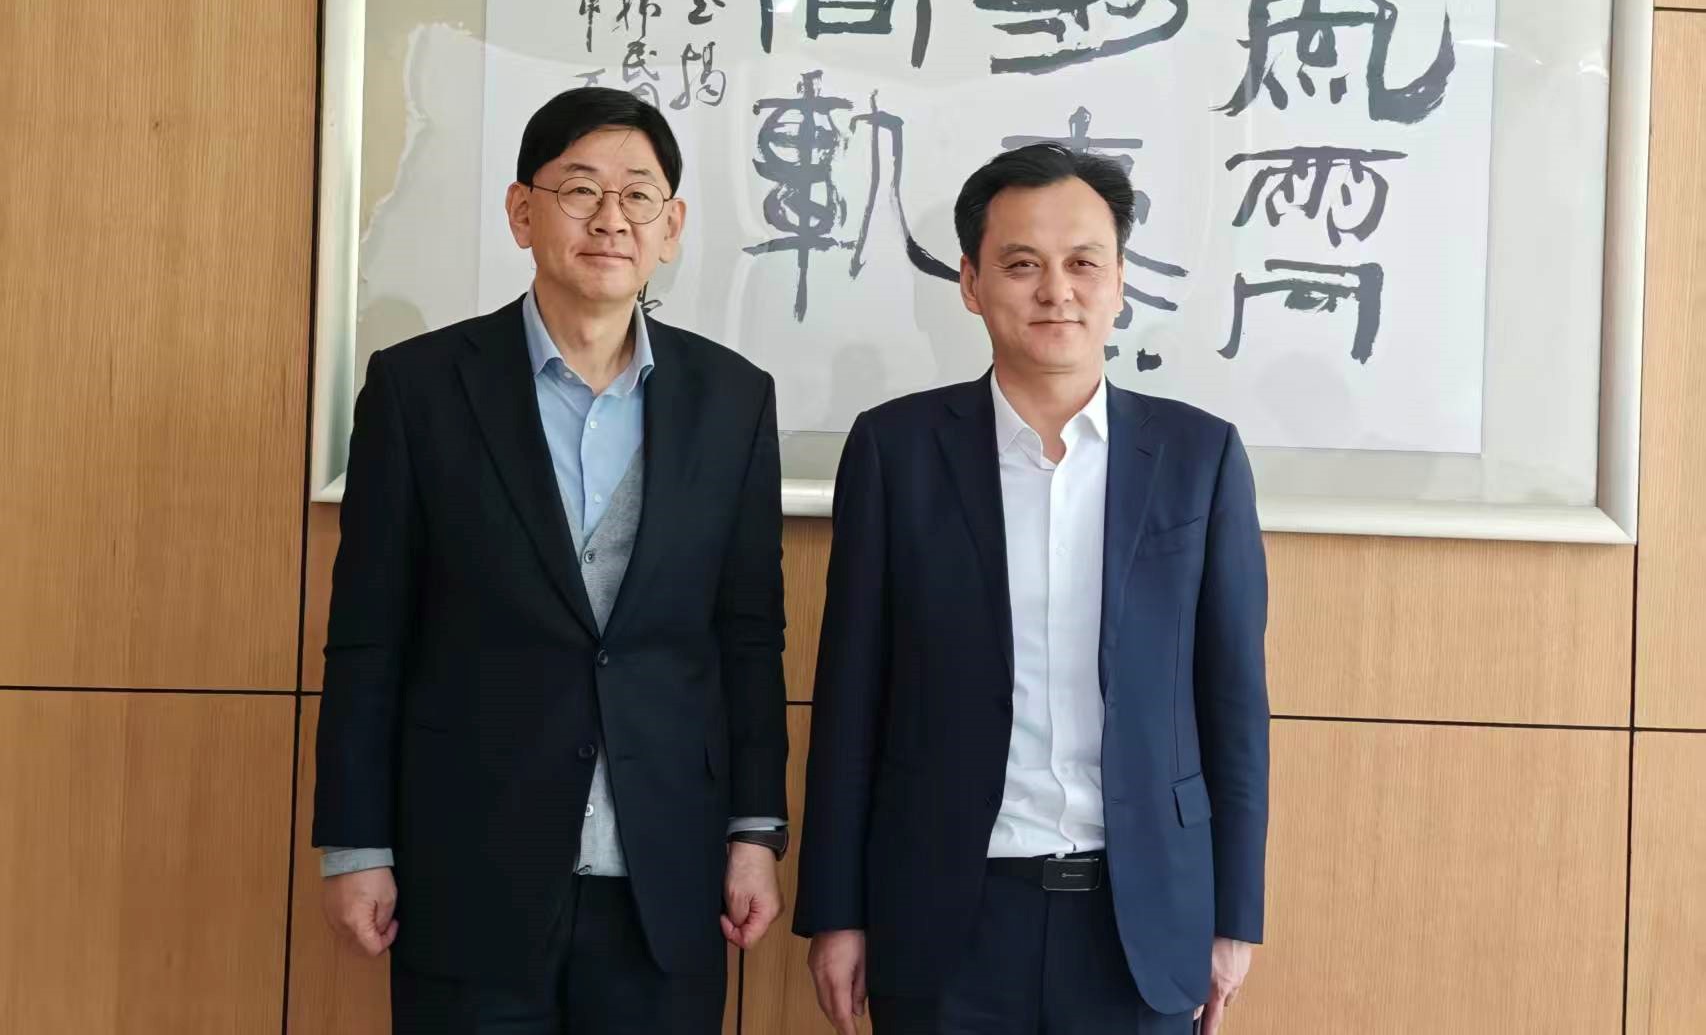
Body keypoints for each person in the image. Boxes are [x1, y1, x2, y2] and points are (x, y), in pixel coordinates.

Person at [313, 88, 790, 1034]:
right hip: (470, 862)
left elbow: (748, 636)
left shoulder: (733, 399)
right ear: (522, 212)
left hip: (667, 872)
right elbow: (369, 635)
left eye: (639, 195)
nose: (611, 218)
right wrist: (355, 844)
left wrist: (754, 830)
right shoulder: (419, 388)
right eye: (579, 189)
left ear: (671, 227)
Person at [794, 143, 1269, 1035]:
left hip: (1141, 922)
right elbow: (851, 696)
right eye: (1021, 265)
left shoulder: (1197, 458)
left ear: (1120, 280)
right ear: (971, 283)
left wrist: (1233, 915)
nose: (1057, 290)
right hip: (945, 916)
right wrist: (836, 910)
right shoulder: (897, 451)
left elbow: (1234, 702)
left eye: (1084, 262)